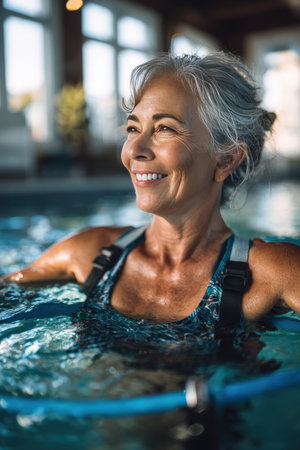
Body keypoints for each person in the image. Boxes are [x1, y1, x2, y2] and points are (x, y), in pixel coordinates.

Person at [2, 52, 300, 329]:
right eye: (133, 128)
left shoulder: (272, 270)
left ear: (226, 159)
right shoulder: (89, 254)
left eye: (164, 128)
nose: (135, 149)